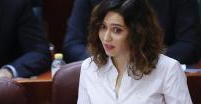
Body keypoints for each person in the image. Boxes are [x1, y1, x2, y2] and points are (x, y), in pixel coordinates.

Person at [52, 0, 201, 104]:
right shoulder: (90, 67)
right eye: (103, 27)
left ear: (138, 33)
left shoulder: (167, 69)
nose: (106, 37)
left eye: (117, 30)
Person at [63, 0, 201, 64]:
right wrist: (106, 61)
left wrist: (143, 60)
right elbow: (72, 45)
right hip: (103, 72)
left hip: (155, 71)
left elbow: (189, 45)